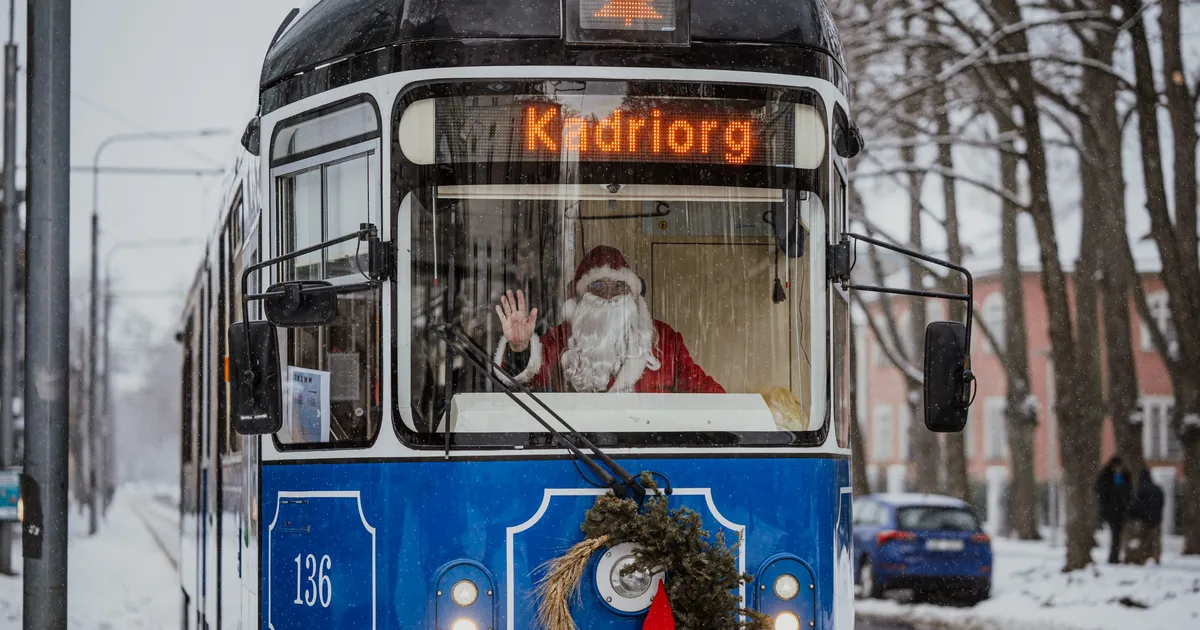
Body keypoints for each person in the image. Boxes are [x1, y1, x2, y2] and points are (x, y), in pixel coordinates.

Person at [493, 245, 724, 394]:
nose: (610, 296)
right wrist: (519, 348)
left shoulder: (662, 339)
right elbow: (520, 388)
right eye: (599, 287)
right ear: (582, 298)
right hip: (576, 456)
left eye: (619, 286)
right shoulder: (559, 339)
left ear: (633, 294)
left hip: (650, 457)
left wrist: (736, 417)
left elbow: (702, 390)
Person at [1095, 456, 1132, 564]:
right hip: (1111, 510)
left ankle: (1115, 556)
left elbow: (1127, 492)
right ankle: (1113, 557)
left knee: (1117, 535)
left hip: (1120, 510)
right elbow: (1102, 491)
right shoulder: (1106, 476)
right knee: (1115, 534)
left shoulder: (1124, 476)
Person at [1124, 470, 1165, 565]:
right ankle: (1156, 557)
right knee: (1155, 540)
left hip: (1144, 519)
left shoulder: (1141, 488)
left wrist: (1134, 515)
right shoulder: (1158, 489)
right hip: (1157, 519)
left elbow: (1138, 504)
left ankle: (1142, 558)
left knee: (1143, 539)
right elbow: (1162, 503)